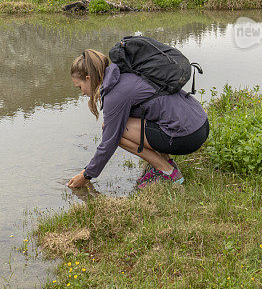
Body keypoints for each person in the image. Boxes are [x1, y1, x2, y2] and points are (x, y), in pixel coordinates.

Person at [67, 49, 209, 190]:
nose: (83, 93)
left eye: (80, 87)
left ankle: (167, 172)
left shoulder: (115, 95)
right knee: (124, 122)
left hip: (187, 136)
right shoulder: (124, 74)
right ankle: (165, 162)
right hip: (199, 124)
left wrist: (86, 175)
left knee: (116, 132)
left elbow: (109, 142)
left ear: (88, 78)